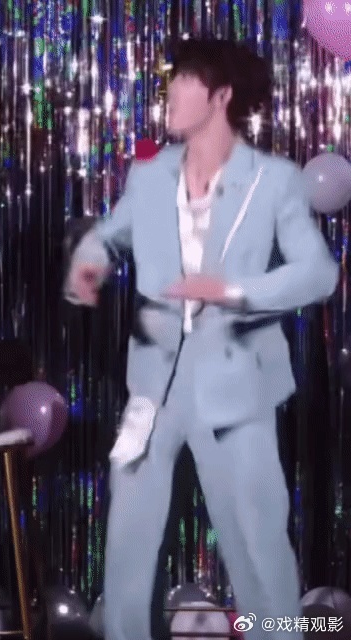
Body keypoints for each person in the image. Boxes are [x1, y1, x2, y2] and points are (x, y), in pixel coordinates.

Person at [65, 38, 339, 640]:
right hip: (152, 385)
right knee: (128, 545)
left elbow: (319, 273)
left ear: (220, 97)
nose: (170, 92)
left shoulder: (273, 180)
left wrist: (232, 290)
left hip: (236, 385)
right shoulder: (148, 176)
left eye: (186, 80)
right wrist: (89, 263)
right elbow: (107, 236)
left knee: (258, 548)